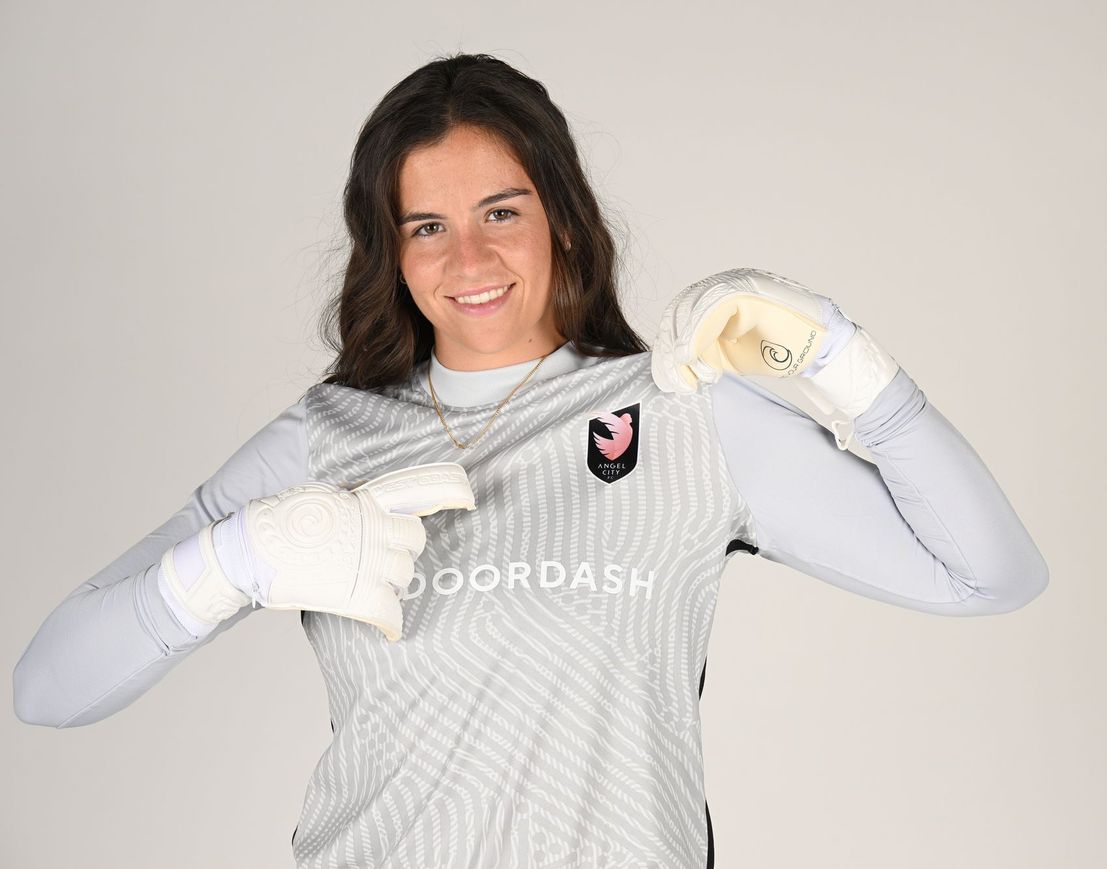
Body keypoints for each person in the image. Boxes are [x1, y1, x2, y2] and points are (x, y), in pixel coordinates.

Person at [12, 52, 1049, 869]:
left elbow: (991, 574)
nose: (468, 259)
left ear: (563, 217)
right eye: (427, 226)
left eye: (500, 212)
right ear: (391, 252)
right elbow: (49, 688)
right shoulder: (323, 440)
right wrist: (236, 559)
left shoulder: (683, 410)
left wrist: (838, 360)